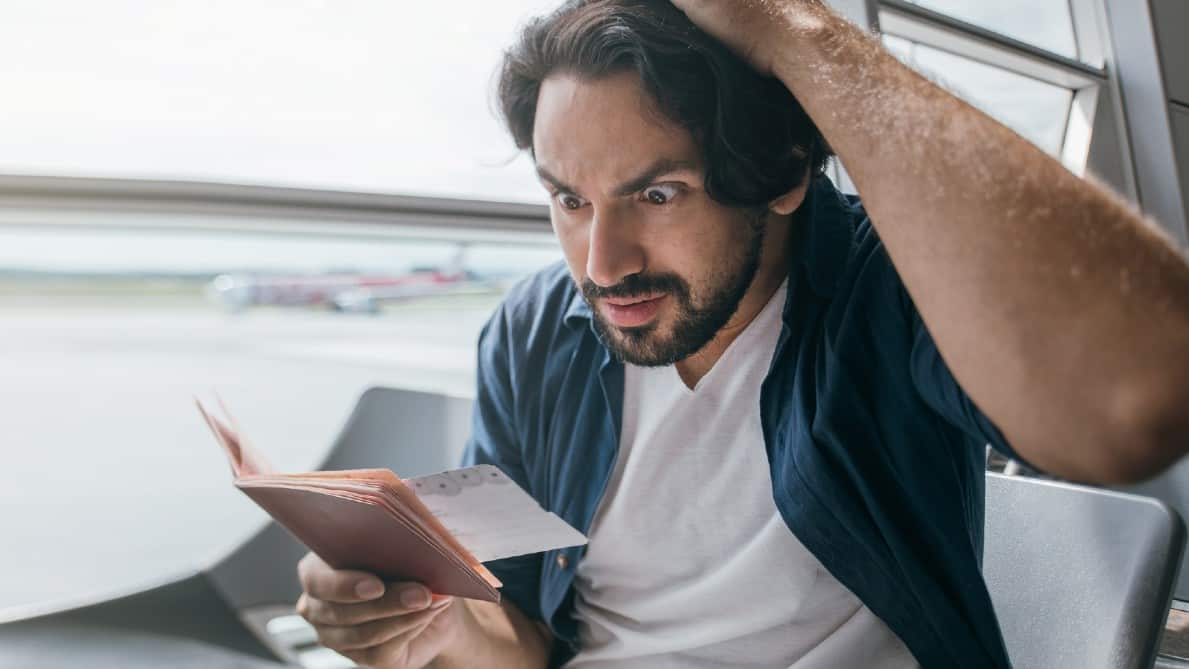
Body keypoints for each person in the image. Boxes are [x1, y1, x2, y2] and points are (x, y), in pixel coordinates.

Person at [293, 1, 1189, 667]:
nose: (601, 264)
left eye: (657, 193)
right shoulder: (532, 332)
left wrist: (795, 33)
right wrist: (430, 621)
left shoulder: (885, 288)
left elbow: (1139, 393)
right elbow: (521, 638)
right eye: (569, 199)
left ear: (785, 173)